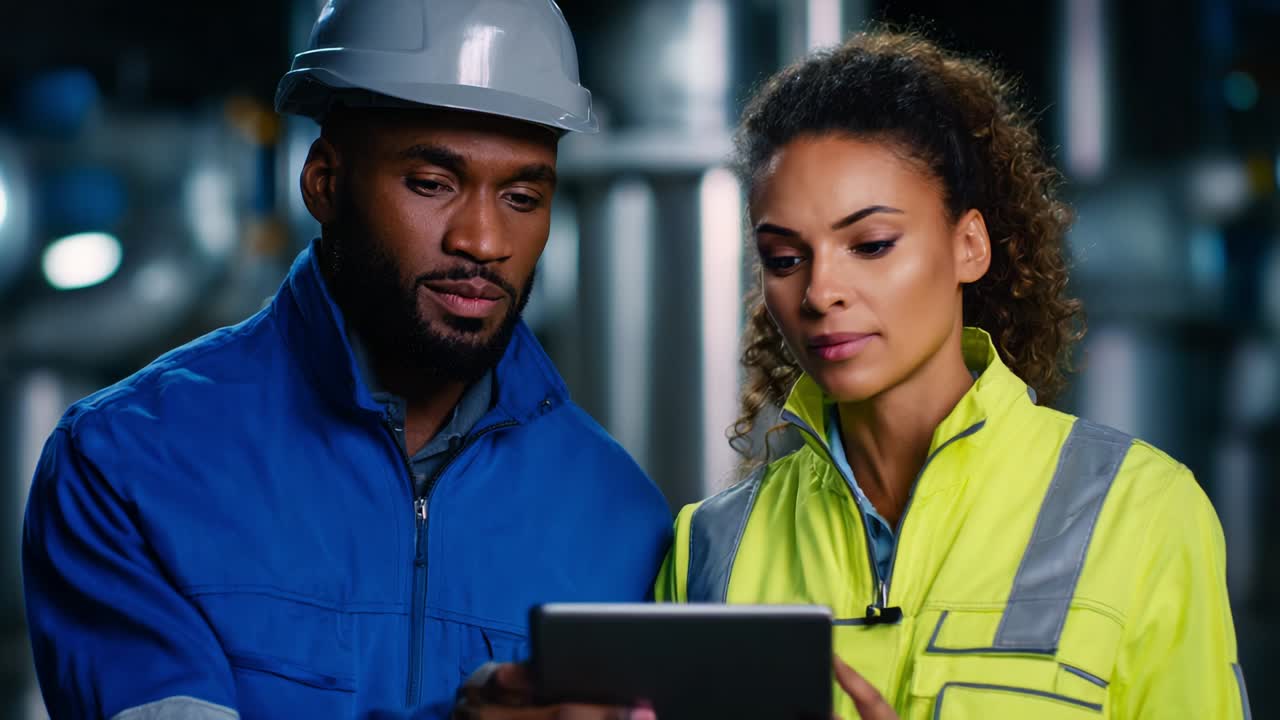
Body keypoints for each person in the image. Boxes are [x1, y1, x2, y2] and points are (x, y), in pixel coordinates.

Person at [21, 2, 671, 718]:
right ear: (324, 183)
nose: (485, 240)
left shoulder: (622, 517)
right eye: (432, 183)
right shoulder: (128, 463)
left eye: (522, 196)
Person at [652, 30, 1251, 719]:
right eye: (786, 258)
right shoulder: (710, 547)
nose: (821, 292)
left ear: (969, 246)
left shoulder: (1143, 513)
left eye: (871, 245)